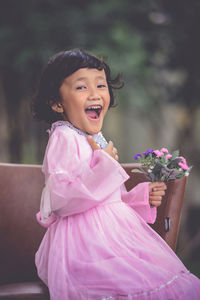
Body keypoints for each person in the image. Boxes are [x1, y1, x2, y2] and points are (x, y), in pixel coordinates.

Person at [32, 49, 200, 300]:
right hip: (84, 244)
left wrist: (141, 195)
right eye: (81, 88)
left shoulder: (94, 138)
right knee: (126, 284)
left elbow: (111, 198)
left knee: (163, 279)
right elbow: (60, 198)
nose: (94, 93)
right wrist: (104, 166)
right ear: (57, 103)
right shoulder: (64, 137)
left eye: (100, 85)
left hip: (112, 235)